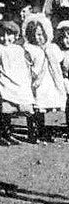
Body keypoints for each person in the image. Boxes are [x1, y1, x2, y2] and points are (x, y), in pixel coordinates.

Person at [23, 16, 64, 144]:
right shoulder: (29, 49)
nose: (37, 38)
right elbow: (27, 66)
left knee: (45, 107)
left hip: (49, 81)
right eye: (34, 35)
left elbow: (59, 60)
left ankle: (44, 131)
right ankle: (32, 132)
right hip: (35, 81)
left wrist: (49, 54)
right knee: (34, 107)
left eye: (40, 34)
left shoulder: (51, 48)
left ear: (46, 34)